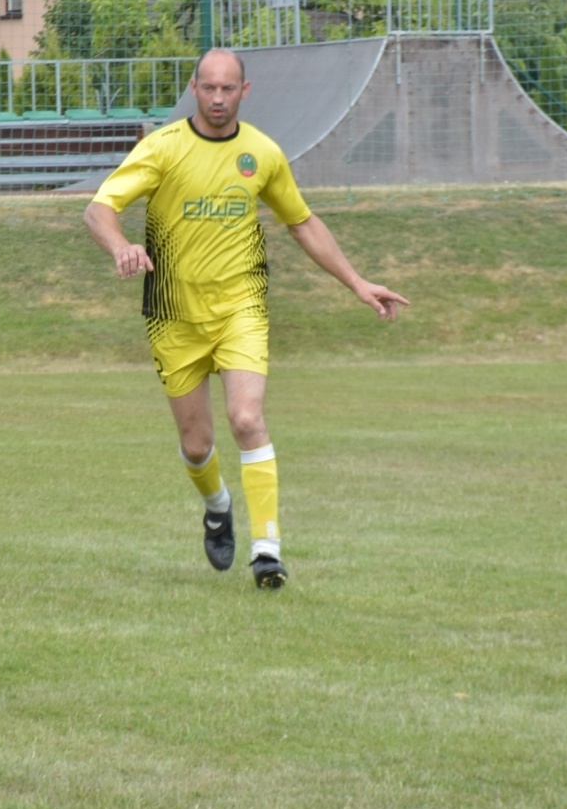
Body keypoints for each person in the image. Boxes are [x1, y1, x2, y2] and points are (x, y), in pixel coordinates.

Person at [83, 48, 408, 590]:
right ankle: (216, 506)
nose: (216, 98)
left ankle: (267, 551)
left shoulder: (262, 154)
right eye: (207, 88)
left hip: (241, 308)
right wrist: (119, 246)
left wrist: (357, 282)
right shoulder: (162, 149)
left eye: (227, 89)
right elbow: (98, 209)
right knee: (195, 444)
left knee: (247, 418)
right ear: (193, 88)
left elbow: (301, 222)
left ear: (245, 91)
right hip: (173, 314)